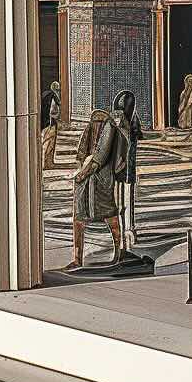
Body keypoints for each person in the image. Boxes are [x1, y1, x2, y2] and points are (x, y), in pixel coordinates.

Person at [70, 93, 135, 269]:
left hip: (99, 181)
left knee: (108, 216)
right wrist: (83, 171)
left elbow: (100, 156)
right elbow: (84, 151)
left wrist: (82, 174)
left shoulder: (110, 127)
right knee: (80, 219)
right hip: (91, 181)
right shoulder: (109, 125)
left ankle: (116, 252)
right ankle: (78, 259)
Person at [40, 80, 62, 171]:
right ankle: (47, 163)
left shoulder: (44, 94)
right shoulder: (53, 96)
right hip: (50, 123)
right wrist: (57, 116)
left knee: (44, 142)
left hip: (42, 122)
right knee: (49, 143)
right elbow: (53, 111)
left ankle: (44, 163)